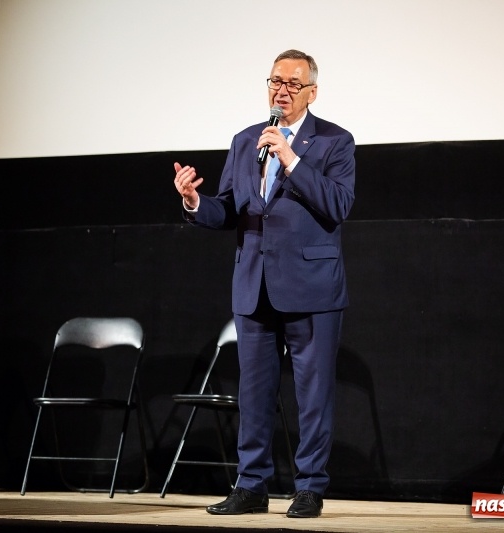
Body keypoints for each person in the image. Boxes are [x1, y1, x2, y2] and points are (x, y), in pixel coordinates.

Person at [172, 49, 355, 519]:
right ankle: (251, 485)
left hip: (312, 287)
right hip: (254, 285)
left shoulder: (335, 142)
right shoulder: (245, 141)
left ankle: (309, 487)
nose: (282, 90)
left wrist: (292, 159)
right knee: (253, 393)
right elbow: (230, 208)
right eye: (276, 81)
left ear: (312, 91)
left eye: (293, 84)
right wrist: (196, 202)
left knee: (312, 394)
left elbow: (338, 206)